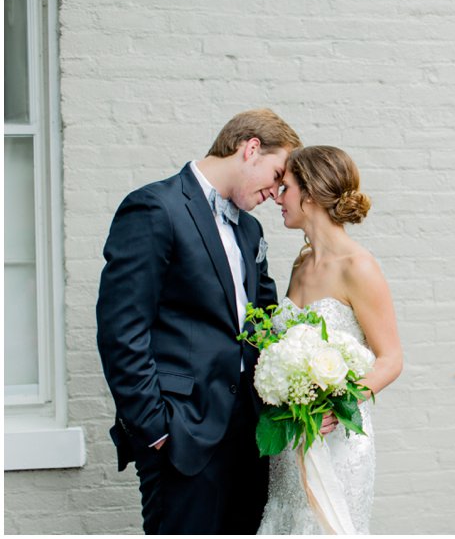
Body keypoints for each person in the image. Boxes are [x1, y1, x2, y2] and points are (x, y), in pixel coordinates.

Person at [96, 108, 301, 534]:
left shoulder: (249, 231)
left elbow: (263, 324)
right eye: (277, 174)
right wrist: (155, 429)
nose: (277, 192)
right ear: (250, 149)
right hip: (181, 434)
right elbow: (122, 329)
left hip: (250, 436)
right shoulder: (155, 207)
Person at [257, 145, 403, 534]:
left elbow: (390, 359)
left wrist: (338, 406)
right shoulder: (301, 265)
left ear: (310, 194)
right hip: (292, 442)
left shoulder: (359, 267)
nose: (276, 196)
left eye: (284, 187)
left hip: (336, 440)